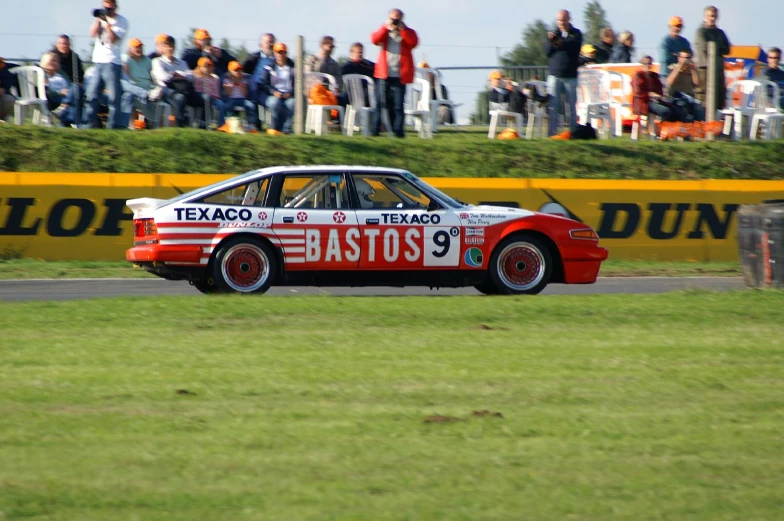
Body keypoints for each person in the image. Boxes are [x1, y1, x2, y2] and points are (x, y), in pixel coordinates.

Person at [370, 8, 419, 138]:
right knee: (380, 103)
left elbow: (413, 43)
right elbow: (375, 40)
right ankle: (374, 130)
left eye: (397, 18)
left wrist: (402, 30)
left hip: (400, 74)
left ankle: (398, 132)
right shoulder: (384, 30)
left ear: (402, 19)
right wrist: (386, 27)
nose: (395, 21)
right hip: (384, 73)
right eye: (393, 18)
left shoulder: (408, 32)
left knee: (398, 105)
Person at [83, 0, 128, 129]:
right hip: (98, 61)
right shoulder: (100, 19)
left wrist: (107, 24)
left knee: (114, 97)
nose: (107, 11)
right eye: (105, 7)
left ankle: (113, 126)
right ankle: (89, 124)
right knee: (92, 94)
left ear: (115, 7)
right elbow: (92, 34)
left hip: (112, 62)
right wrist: (98, 20)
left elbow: (113, 40)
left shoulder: (122, 21)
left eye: (109, 8)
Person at [545, 9, 582, 136]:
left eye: (563, 20)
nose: (561, 23)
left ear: (569, 19)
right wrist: (552, 41)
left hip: (570, 76)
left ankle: (573, 134)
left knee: (571, 107)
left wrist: (559, 43)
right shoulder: (553, 33)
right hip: (554, 75)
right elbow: (547, 52)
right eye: (559, 20)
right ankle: (552, 134)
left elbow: (573, 47)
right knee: (553, 106)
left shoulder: (576, 33)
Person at [151, 35, 201, 127]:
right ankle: (180, 126)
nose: (170, 48)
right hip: (166, 90)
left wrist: (176, 74)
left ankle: (203, 125)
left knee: (205, 98)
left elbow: (191, 76)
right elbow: (163, 77)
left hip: (184, 89)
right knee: (180, 98)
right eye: (167, 46)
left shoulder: (182, 63)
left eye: (172, 46)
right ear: (163, 48)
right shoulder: (157, 61)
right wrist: (177, 75)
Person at [693, 5, 730, 109]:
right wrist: (718, 47)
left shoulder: (720, 32)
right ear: (705, 16)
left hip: (718, 68)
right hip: (704, 68)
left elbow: (727, 49)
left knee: (720, 94)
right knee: (703, 95)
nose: (711, 18)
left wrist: (715, 46)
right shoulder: (701, 31)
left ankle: (717, 121)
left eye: (713, 16)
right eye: (709, 16)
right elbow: (706, 47)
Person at [258, 42, 296, 134]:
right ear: (275, 53)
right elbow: (263, 84)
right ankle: (274, 127)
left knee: (292, 103)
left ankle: (286, 129)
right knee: (275, 102)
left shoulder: (293, 67)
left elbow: (297, 85)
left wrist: (290, 93)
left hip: (288, 95)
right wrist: (273, 92)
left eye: (283, 52)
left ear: (286, 53)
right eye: (278, 52)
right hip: (273, 95)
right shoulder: (269, 67)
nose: (281, 55)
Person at [633, 56, 680, 123]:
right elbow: (637, 93)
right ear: (642, 65)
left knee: (676, 109)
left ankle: (671, 129)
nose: (648, 65)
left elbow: (659, 89)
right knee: (665, 111)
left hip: (656, 100)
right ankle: (661, 129)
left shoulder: (654, 76)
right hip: (643, 102)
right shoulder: (638, 76)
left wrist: (660, 96)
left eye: (649, 63)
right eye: (645, 63)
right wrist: (650, 94)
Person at [50, 35, 85, 126]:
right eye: (61, 43)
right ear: (57, 44)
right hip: (58, 93)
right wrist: (60, 91)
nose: (64, 46)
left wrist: (72, 89)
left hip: (71, 89)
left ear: (69, 45)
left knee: (77, 90)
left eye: (66, 44)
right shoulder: (52, 56)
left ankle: (63, 111)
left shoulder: (74, 57)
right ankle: (75, 124)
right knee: (77, 100)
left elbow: (80, 77)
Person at [119, 37, 153, 128]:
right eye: (136, 47)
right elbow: (126, 77)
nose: (139, 49)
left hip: (148, 87)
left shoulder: (147, 61)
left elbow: (153, 75)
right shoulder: (126, 59)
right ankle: (131, 125)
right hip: (134, 88)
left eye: (140, 47)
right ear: (130, 48)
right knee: (131, 95)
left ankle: (147, 123)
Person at [39, 52, 79, 126]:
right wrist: (60, 92)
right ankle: (66, 121)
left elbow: (70, 85)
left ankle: (63, 107)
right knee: (75, 107)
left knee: (76, 86)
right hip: (54, 98)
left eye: (56, 61)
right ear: (45, 61)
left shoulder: (61, 73)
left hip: (68, 96)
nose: (54, 63)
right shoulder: (42, 74)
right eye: (52, 60)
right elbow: (46, 91)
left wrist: (68, 92)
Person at [665, 50, 705, 121]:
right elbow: (669, 82)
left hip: (690, 97)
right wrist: (678, 68)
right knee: (683, 106)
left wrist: (692, 70)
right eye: (684, 58)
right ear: (679, 58)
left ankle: (699, 127)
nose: (686, 60)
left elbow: (698, 84)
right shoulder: (672, 67)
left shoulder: (693, 70)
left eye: (688, 58)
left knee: (700, 108)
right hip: (675, 97)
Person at [220, 61, 258, 132]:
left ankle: (251, 125)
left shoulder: (245, 79)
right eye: (235, 70)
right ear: (230, 71)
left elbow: (245, 94)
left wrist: (241, 85)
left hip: (242, 99)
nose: (238, 72)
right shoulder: (226, 79)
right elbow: (228, 94)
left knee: (250, 105)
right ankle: (225, 124)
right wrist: (232, 85)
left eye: (240, 70)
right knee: (227, 106)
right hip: (231, 99)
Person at [192, 57, 223, 127]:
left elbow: (216, 90)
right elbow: (195, 89)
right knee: (206, 99)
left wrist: (215, 97)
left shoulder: (215, 78)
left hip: (214, 97)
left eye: (210, 66)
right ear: (200, 67)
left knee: (221, 104)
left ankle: (220, 124)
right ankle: (204, 122)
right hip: (200, 96)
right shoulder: (196, 77)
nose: (208, 68)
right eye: (205, 67)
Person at [0, 57, 17, 123]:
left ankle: (3, 120)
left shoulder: (2, 66)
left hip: (2, 98)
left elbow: (3, 89)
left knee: (9, 100)